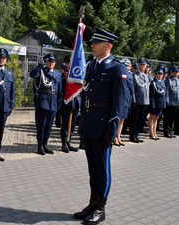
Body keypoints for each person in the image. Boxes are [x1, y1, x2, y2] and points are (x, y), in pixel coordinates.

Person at [73, 27, 128, 225]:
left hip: (103, 126)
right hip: (89, 124)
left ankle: (101, 209)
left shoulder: (117, 68)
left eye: (96, 43)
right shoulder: (91, 66)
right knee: (92, 169)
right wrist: (82, 121)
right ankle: (92, 204)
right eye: (92, 43)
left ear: (108, 45)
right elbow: (86, 95)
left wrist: (112, 130)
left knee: (102, 169)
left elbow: (119, 102)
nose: (92, 46)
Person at [30, 53, 62, 155]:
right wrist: (40, 65)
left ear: (55, 63)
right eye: (49, 61)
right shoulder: (41, 72)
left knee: (49, 125)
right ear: (46, 62)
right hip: (43, 102)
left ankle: (45, 145)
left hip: (53, 102)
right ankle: (40, 146)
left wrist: (59, 104)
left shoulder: (57, 74)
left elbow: (60, 90)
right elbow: (32, 74)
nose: (51, 63)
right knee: (41, 125)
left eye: (52, 62)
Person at [60, 54, 80, 153]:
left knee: (73, 123)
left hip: (76, 101)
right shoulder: (65, 76)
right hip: (67, 101)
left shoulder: (76, 75)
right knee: (66, 123)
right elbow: (63, 90)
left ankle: (69, 141)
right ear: (67, 64)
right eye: (69, 63)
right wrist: (69, 101)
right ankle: (64, 143)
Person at [129, 58, 150, 143]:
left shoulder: (146, 76)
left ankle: (136, 134)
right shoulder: (135, 76)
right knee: (134, 119)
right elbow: (133, 89)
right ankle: (132, 135)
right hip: (137, 101)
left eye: (143, 65)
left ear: (146, 66)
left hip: (145, 101)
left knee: (141, 119)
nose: (142, 66)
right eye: (140, 64)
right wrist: (133, 100)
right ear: (138, 65)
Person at [113, 58, 133, 146]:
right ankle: (114, 138)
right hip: (119, 100)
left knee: (122, 120)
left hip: (126, 99)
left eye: (127, 65)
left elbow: (131, 88)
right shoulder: (118, 74)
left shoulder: (130, 75)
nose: (126, 67)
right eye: (124, 65)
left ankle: (119, 137)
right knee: (117, 119)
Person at [148, 67, 166, 140]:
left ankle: (155, 132)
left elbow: (164, 93)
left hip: (161, 103)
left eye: (161, 74)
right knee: (152, 118)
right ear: (155, 74)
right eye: (158, 74)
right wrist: (152, 103)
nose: (160, 75)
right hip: (155, 102)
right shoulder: (153, 83)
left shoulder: (162, 82)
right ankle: (151, 133)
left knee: (157, 118)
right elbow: (152, 94)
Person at [163, 66, 179, 138]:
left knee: (173, 117)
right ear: (171, 72)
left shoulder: (177, 80)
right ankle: (166, 131)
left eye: (177, 72)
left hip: (176, 102)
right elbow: (167, 91)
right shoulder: (168, 79)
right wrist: (167, 101)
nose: (175, 73)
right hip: (170, 101)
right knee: (167, 117)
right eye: (174, 72)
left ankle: (170, 131)